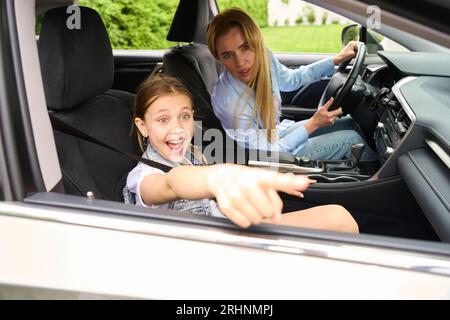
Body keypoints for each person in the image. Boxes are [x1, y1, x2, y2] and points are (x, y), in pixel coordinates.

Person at [124, 75, 358, 233]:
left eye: (184, 116)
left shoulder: (190, 152)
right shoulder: (143, 176)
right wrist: (217, 178)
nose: (177, 128)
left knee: (339, 217)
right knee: (338, 219)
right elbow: (171, 184)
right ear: (142, 126)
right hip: (210, 250)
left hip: (230, 226)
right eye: (163, 119)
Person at [208, 8, 376, 160]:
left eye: (245, 47)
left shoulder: (264, 57)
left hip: (276, 135)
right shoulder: (227, 101)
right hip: (264, 159)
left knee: (349, 122)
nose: (240, 62)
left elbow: (292, 80)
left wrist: (335, 60)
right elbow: (268, 154)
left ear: (256, 42)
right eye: (228, 55)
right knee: (351, 140)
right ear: (219, 59)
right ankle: (381, 184)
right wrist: (313, 124)